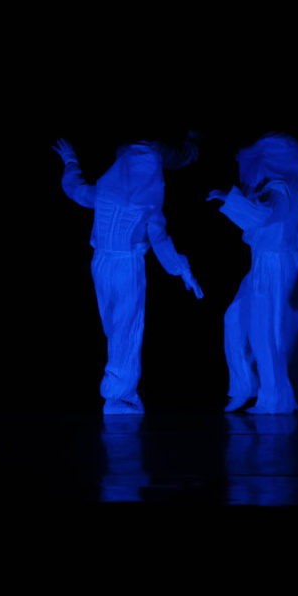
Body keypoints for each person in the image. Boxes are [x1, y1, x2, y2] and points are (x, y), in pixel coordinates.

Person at [55, 136, 206, 414]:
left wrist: (70, 161)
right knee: (126, 326)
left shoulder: (105, 191)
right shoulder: (147, 203)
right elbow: (160, 241)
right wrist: (183, 271)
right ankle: (120, 396)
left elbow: (75, 189)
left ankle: (118, 390)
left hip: (101, 263)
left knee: (116, 327)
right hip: (126, 264)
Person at [209, 133, 298, 414]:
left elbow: (261, 216)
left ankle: (274, 398)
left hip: (273, 266)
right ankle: (246, 387)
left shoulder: (280, 187)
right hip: (268, 263)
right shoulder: (279, 188)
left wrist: (228, 198)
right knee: (236, 318)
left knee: (267, 331)